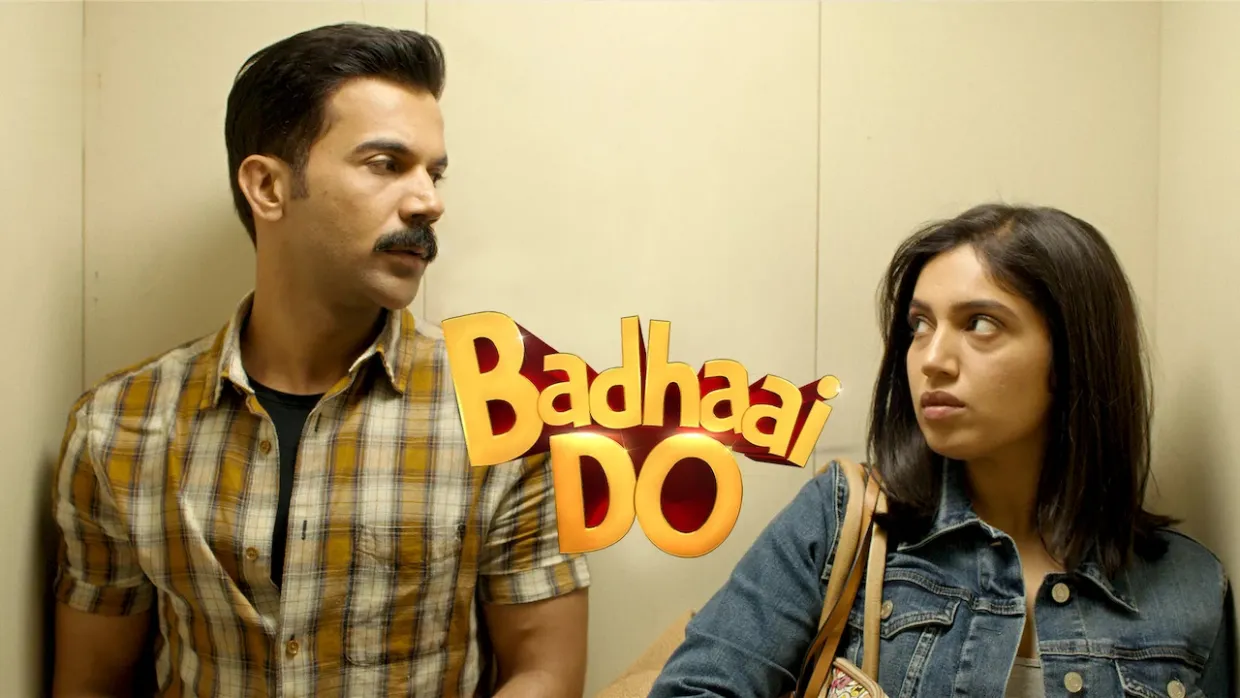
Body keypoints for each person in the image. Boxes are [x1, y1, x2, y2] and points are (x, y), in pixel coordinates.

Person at [49, 23, 589, 698]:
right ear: (268, 187)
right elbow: (91, 680)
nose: (429, 201)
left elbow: (545, 671)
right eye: (386, 164)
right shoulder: (118, 428)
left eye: (434, 172)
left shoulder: (506, 412)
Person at [649, 203, 1233, 697]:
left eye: (980, 324)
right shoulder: (844, 519)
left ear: (1074, 353)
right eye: (920, 325)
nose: (931, 359)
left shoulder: (1189, 588)